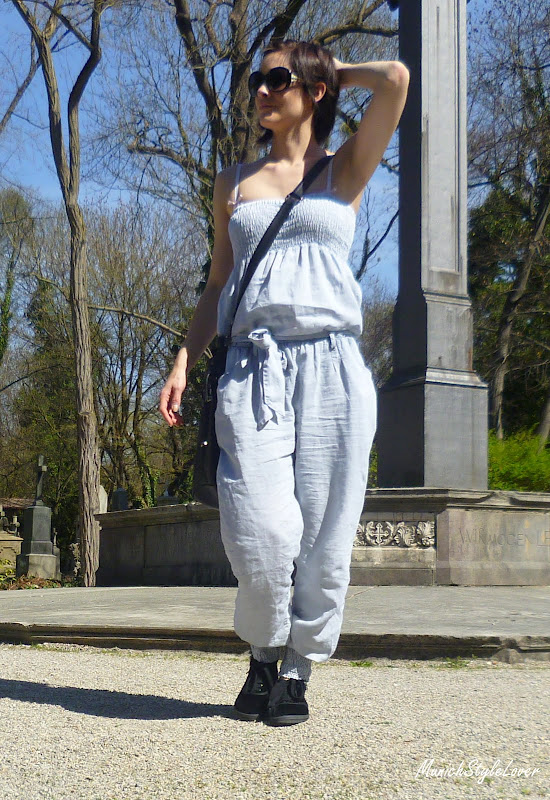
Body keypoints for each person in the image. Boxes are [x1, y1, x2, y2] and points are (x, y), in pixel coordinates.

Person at [159, 40, 409, 726]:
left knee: (327, 533)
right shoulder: (233, 183)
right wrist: (184, 359)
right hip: (252, 367)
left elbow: (394, 79)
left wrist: (330, 70)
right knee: (259, 529)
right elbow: (218, 282)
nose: (262, 91)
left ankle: (296, 669)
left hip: (333, 366)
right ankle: (263, 649)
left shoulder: (343, 168)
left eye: (276, 78)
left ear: (313, 89)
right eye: (256, 81)